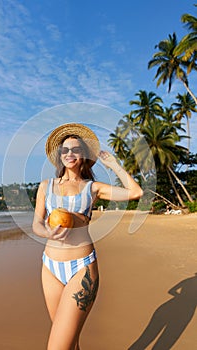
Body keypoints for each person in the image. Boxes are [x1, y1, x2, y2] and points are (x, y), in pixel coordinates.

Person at [32, 123, 143, 350]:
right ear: (59, 155)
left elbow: (135, 193)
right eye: (65, 150)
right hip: (50, 267)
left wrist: (114, 165)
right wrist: (47, 232)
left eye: (75, 150)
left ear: (83, 156)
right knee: (70, 343)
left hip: (81, 268)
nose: (70, 154)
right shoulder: (46, 186)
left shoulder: (92, 188)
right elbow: (37, 224)